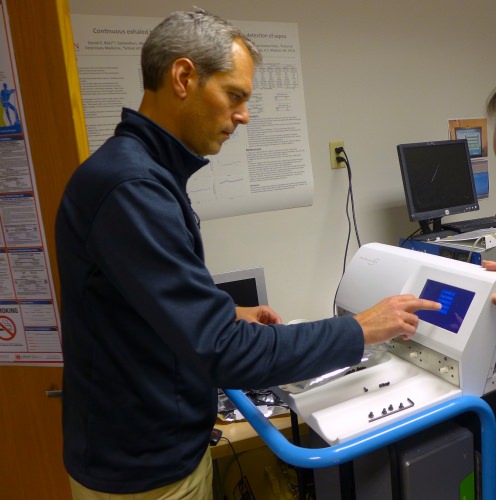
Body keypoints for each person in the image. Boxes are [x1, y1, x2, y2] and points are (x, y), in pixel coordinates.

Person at [55, 9, 441, 499]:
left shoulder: (141, 172)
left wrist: (226, 312)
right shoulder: (132, 188)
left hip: (143, 448)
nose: (243, 115)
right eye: (234, 95)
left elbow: (134, 302)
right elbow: (223, 352)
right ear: (183, 77)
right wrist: (359, 329)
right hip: (144, 470)